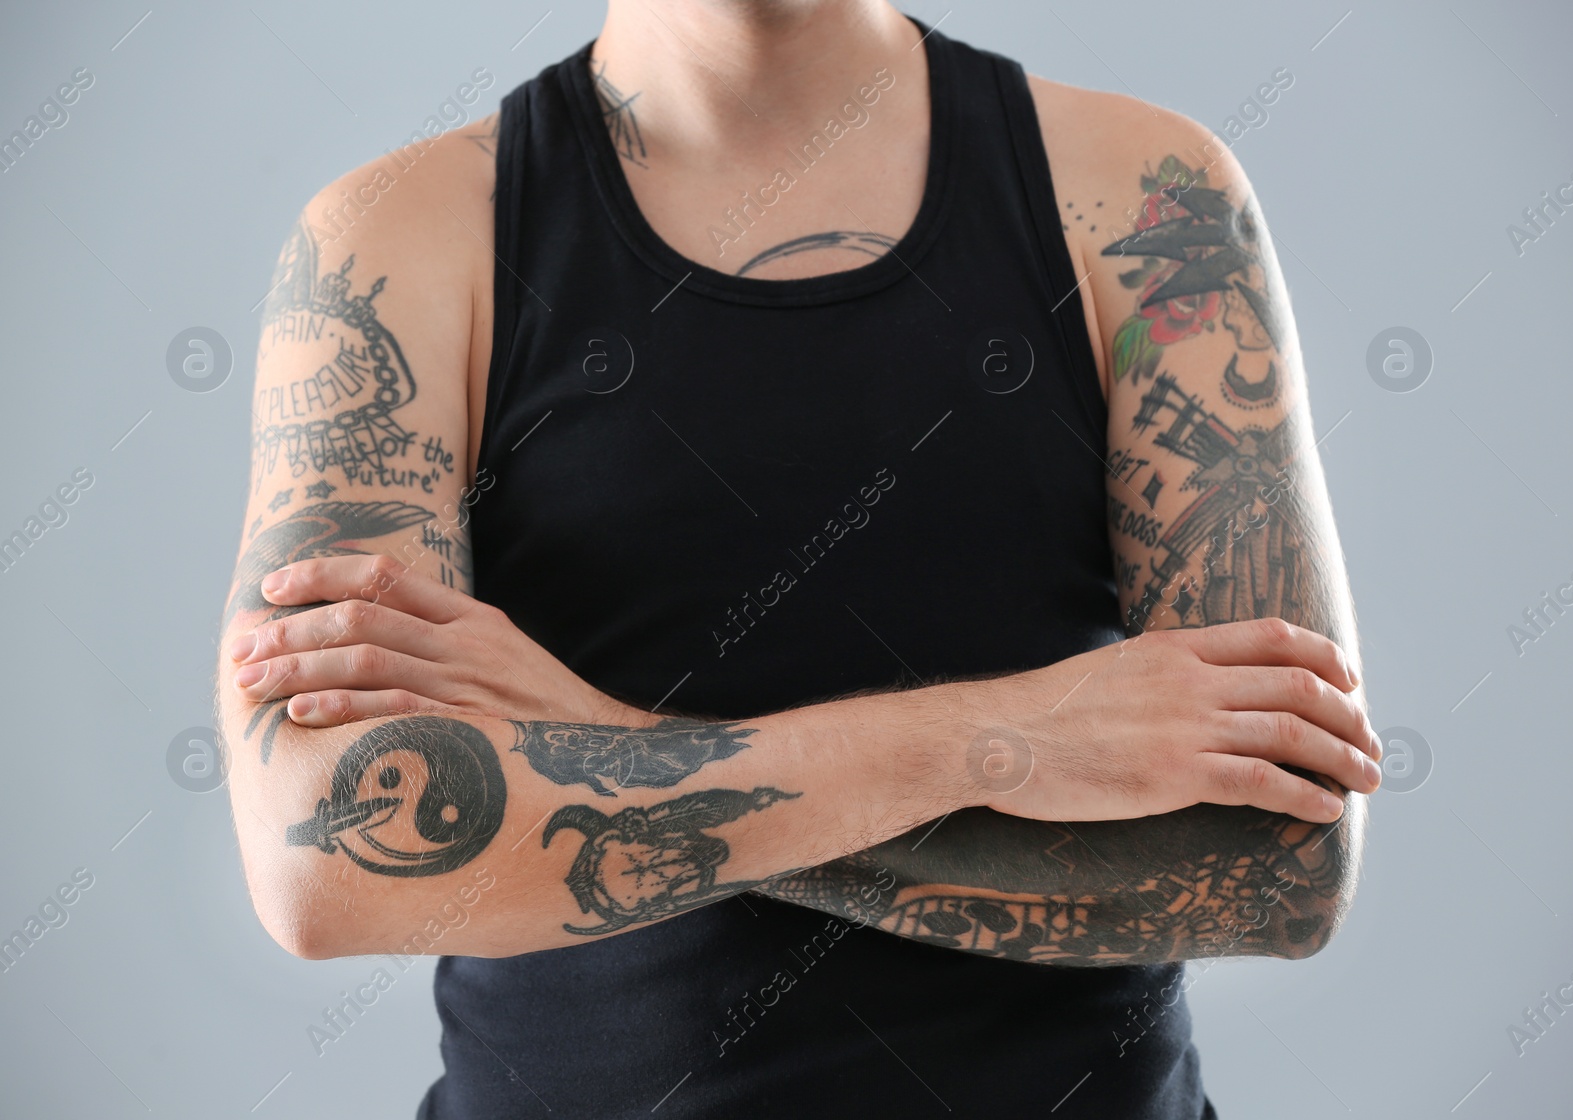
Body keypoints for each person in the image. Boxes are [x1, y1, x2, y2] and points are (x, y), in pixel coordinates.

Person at [216, 3, 1381, 1116]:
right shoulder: (402, 237)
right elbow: (329, 864)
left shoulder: (1141, 199)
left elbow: (1280, 869)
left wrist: (605, 753)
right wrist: (1001, 742)